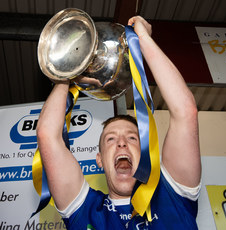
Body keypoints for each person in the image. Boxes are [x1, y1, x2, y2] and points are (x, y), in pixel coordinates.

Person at [36, 16, 201, 229]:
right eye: (110, 139)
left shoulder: (174, 195)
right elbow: (47, 135)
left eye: (132, 138)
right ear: (100, 160)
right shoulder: (85, 210)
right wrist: (69, 69)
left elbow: (185, 112)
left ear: (146, 152)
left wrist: (142, 39)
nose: (121, 143)